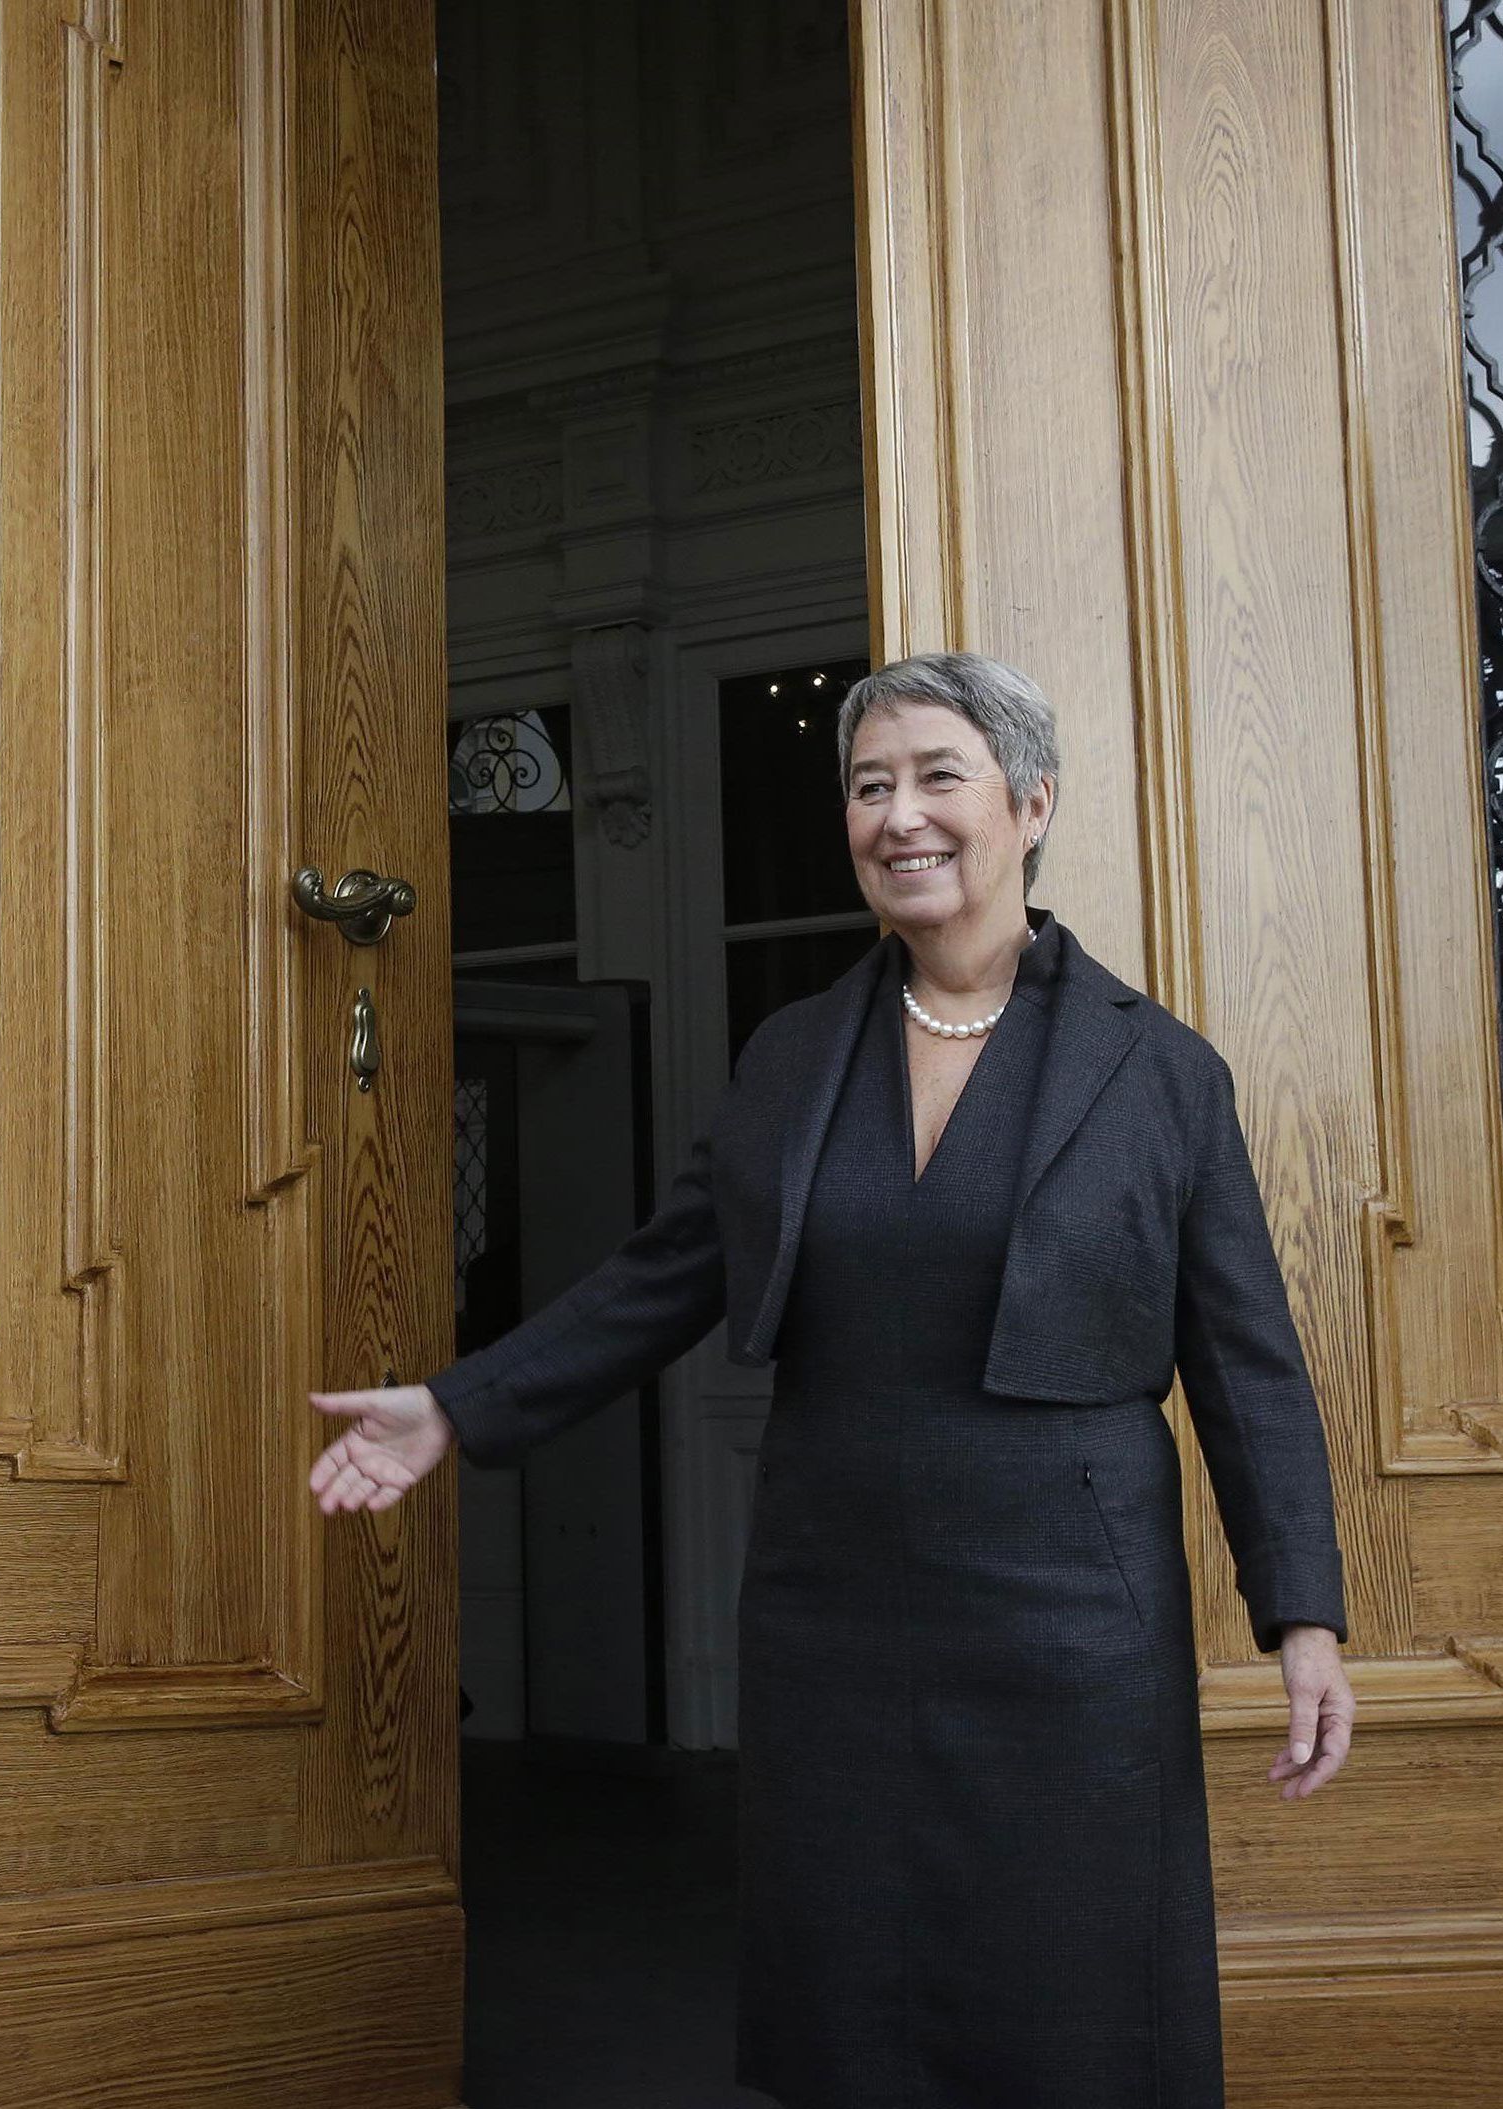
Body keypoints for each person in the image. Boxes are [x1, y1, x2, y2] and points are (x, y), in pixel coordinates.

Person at [309, 651, 1355, 2108]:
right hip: (835, 1613)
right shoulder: (795, 1054)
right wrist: (455, 1404)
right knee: (855, 2012)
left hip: (1069, 1627)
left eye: (939, 775)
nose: (899, 814)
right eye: (870, 785)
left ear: (1030, 802)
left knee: (1074, 2008)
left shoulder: (1160, 1071)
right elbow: (663, 1275)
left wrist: (1301, 1612)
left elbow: (1248, 1361)